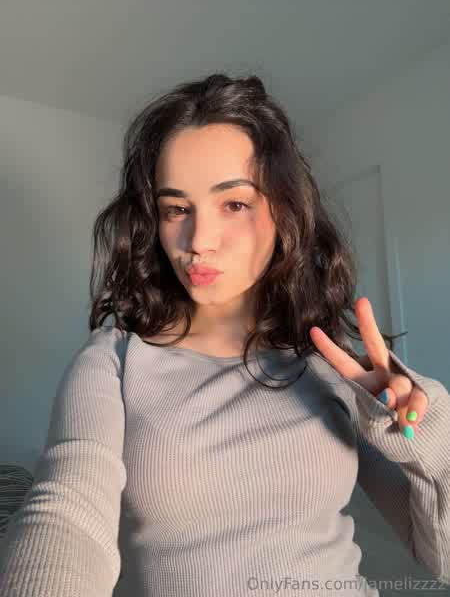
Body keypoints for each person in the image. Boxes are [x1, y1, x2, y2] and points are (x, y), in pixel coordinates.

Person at [0, 73, 449, 597]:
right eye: (177, 209)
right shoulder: (115, 361)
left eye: (234, 203)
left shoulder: (330, 360)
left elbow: (442, 560)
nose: (199, 241)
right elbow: (67, 509)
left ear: (283, 211)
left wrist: (427, 434)